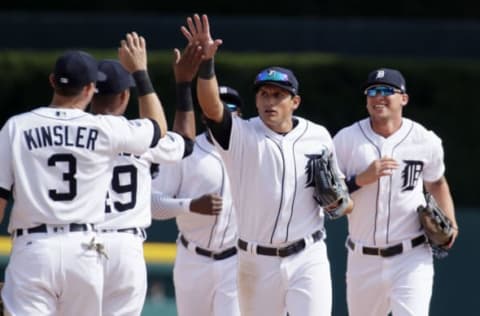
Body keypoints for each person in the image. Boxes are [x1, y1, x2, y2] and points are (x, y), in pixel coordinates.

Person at [180, 14, 353, 316]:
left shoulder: (318, 136)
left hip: (308, 255)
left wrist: (340, 203)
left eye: (278, 95)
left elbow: (342, 199)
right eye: (263, 94)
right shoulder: (241, 134)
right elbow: (210, 106)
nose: (269, 101)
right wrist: (207, 64)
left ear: (294, 102)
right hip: (255, 261)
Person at [0, 32, 167, 316]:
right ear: (90, 88)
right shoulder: (103, 128)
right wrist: (140, 71)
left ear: (52, 81)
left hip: (33, 248)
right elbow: (157, 128)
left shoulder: (16, 127)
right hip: (85, 251)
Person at [333, 68, 459, 316]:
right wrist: (360, 179)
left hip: (411, 256)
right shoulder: (346, 140)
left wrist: (451, 221)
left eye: (386, 91)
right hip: (362, 257)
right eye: (372, 91)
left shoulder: (425, 140)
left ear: (404, 98)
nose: (378, 96)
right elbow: (329, 198)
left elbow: (436, 182)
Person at [89, 41, 200, 316]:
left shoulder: (69, 136)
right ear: (125, 96)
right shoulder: (139, 134)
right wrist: (182, 84)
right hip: (126, 247)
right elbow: (185, 142)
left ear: (90, 92)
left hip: (79, 242)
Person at [151, 85, 243, 316]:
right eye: (215, 107)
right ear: (203, 115)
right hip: (193, 259)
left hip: (236, 260)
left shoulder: (253, 152)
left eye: (229, 108)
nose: (222, 114)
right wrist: (190, 205)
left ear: (240, 115)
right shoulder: (186, 152)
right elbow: (153, 204)